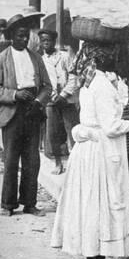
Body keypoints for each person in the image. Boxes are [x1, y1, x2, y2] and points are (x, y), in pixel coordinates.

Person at [50, 48, 129, 259]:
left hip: (88, 150)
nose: (116, 58)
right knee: (100, 205)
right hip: (100, 151)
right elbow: (110, 126)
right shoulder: (101, 86)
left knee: (90, 204)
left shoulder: (90, 82)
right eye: (113, 55)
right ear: (103, 58)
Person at [0, 13, 52, 216]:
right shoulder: (1, 59)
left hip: (32, 111)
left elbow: (47, 86)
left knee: (32, 160)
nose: (24, 39)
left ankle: (29, 203)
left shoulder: (35, 57)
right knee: (11, 160)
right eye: (20, 36)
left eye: (26, 36)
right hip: (12, 113)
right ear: (11, 36)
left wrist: (38, 101)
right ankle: (8, 205)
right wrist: (14, 94)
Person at [39, 29, 80, 175]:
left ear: (54, 41)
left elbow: (73, 77)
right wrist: (50, 96)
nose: (45, 43)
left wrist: (63, 95)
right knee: (53, 133)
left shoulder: (64, 56)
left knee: (73, 131)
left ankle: (77, 164)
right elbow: (41, 82)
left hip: (67, 99)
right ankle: (58, 163)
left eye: (48, 40)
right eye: (43, 40)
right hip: (51, 101)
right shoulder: (41, 60)